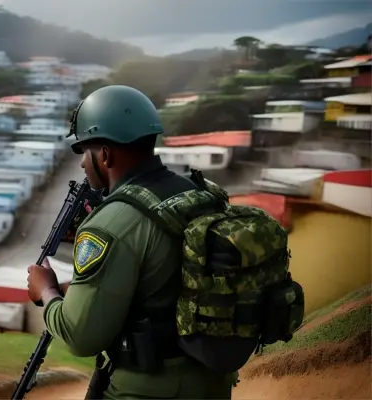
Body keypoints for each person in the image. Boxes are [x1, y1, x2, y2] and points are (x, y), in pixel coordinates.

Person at [27, 85, 238, 399]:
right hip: (213, 384)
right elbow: (165, 284)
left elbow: (80, 337)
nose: (84, 164)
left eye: (85, 152)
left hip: (147, 390)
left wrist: (46, 291)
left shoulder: (109, 224)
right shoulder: (198, 192)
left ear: (106, 155)